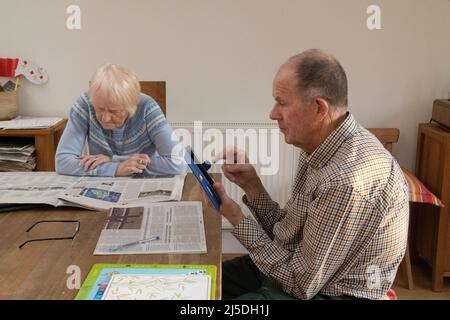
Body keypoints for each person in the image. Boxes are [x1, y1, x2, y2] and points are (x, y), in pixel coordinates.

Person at [213, 49, 409, 300]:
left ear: (319, 108)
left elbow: (299, 284)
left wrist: (236, 217)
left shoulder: (346, 181)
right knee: (202, 278)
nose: (272, 114)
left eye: (282, 103)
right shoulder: (319, 147)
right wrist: (252, 186)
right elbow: (286, 235)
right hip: (301, 271)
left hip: (327, 293)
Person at [55, 64, 185, 177]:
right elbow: (62, 161)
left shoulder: (147, 108)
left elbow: (178, 163)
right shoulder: (85, 103)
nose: (104, 118)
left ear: (131, 108)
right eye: (99, 109)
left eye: (113, 111)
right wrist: (116, 169)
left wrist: (114, 160)